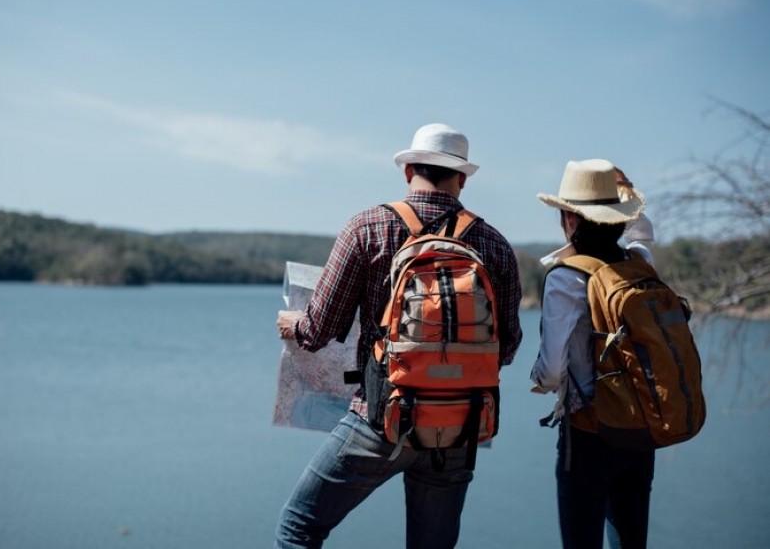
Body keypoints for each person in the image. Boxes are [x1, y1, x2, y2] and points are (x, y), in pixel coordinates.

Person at [275, 123, 523, 548]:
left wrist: (293, 324)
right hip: (459, 424)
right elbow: (508, 347)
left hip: (380, 417)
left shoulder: (366, 227)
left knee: (299, 526)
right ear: (461, 179)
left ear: (408, 171)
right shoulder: (494, 244)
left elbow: (320, 330)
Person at [530, 159, 656, 549]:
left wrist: (539, 382)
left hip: (587, 431)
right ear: (618, 215)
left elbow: (551, 371)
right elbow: (642, 233)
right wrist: (627, 195)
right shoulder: (639, 264)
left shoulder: (567, 276)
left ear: (569, 218)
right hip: (640, 427)